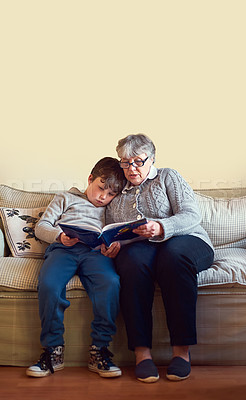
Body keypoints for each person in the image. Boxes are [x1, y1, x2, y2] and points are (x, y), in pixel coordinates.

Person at [102, 134, 214, 383]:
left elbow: (191, 215)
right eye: (125, 162)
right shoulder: (118, 189)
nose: (131, 169)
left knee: (173, 258)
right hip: (142, 246)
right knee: (131, 264)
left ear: (152, 159)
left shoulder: (168, 176)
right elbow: (114, 228)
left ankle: (181, 353)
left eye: (138, 162)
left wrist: (161, 226)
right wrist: (114, 243)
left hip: (187, 239)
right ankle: (142, 354)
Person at [26, 157, 125, 378]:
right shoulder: (65, 197)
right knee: (50, 284)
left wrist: (116, 244)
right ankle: (53, 351)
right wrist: (59, 236)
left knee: (110, 283)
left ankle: (99, 350)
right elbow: (41, 227)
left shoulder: (113, 207)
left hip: (96, 254)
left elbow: (119, 231)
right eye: (101, 189)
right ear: (90, 179)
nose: (103, 197)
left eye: (111, 194)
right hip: (63, 250)